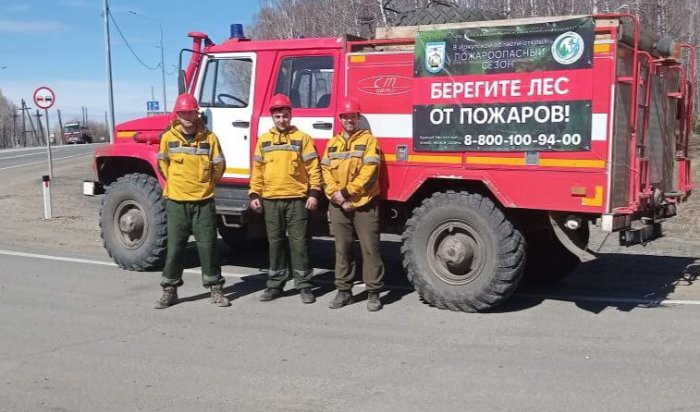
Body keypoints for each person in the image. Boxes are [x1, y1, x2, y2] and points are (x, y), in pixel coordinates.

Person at [154, 93, 230, 309]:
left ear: (197, 113)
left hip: (203, 202)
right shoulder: (168, 138)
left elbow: (219, 165)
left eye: (191, 112)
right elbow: (163, 164)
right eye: (183, 113)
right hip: (177, 202)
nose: (187, 116)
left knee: (208, 247)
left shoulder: (210, 138)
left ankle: (215, 288)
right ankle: (170, 290)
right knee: (175, 248)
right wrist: (178, 184)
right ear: (177, 115)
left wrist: (206, 184)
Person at [249, 93, 322, 304]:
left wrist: (314, 192)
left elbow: (313, 168)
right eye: (278, 116)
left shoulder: (303, 139)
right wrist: (255, 193)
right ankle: (275, 284)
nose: (282, 120)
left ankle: (304, 285)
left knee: (299, 243)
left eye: (285, 116)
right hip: (271, 199)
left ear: (291, 115)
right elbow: (258, 170)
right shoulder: (263, 140)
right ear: (272, 117)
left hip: (297, 199)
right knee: (275, 243)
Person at [320, 97, 385, 311]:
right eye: (346, 116)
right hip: (338, 203)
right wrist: (336, 195)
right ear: (340, 119)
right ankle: (344, 291)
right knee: (342, 249)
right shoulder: (333, 143)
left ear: (358, 118)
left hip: (363, 203)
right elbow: (325, 172)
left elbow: (370, 173)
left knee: (370, 249)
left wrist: (348, 193)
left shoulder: (369, 141)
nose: (349, 120)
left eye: (353, 116)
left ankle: (373, 292)